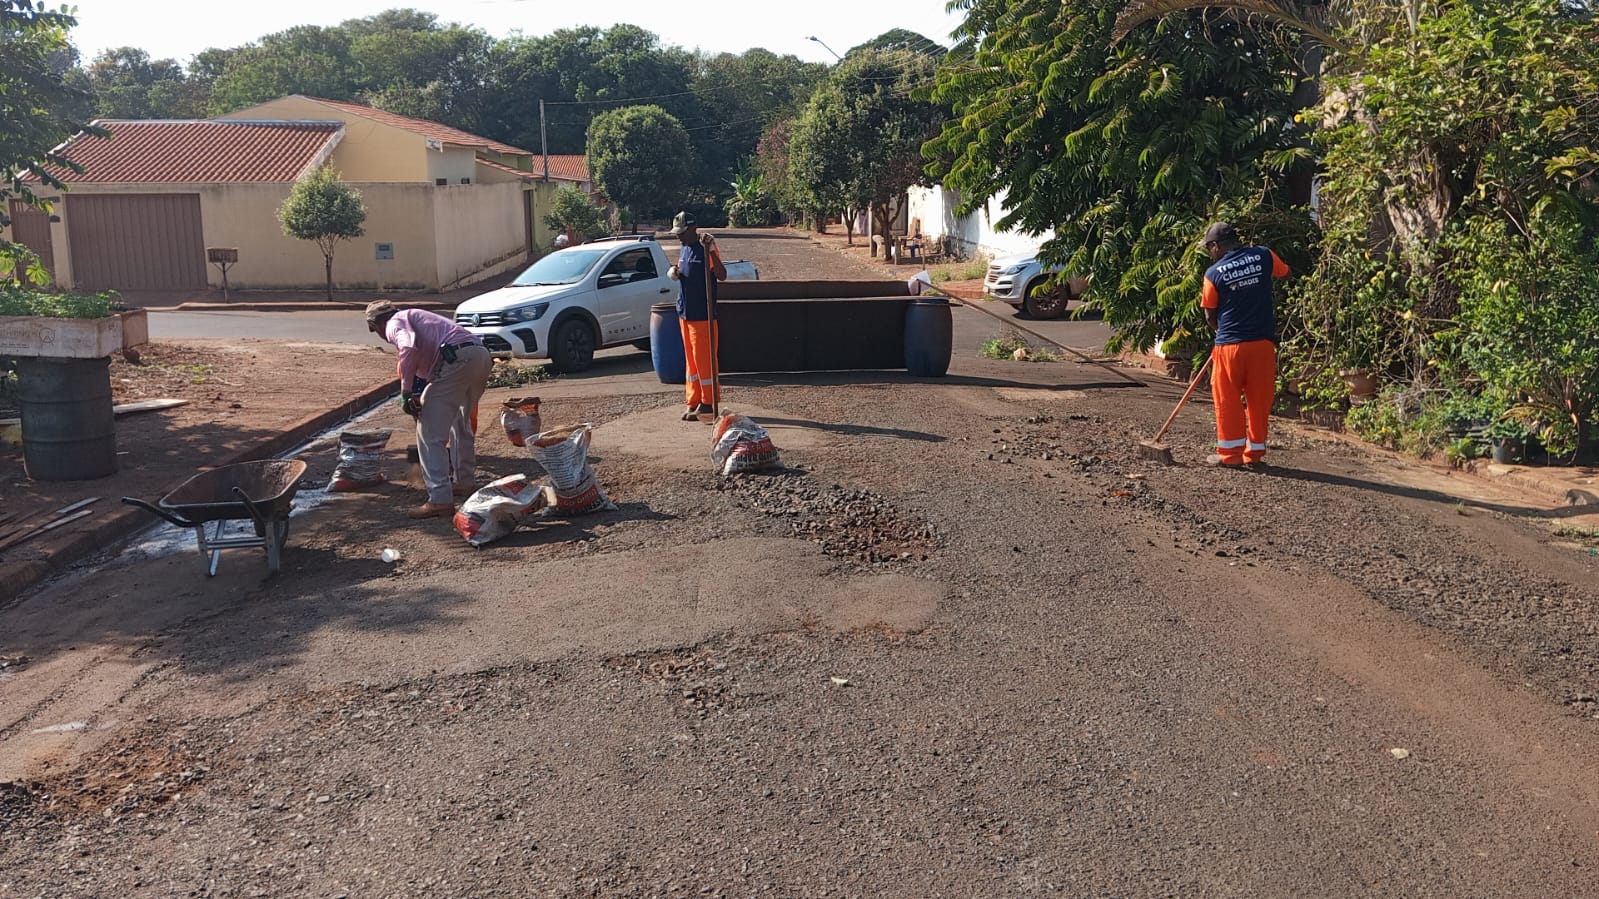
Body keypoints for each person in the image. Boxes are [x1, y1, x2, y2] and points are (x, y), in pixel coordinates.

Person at [364, 300, 493, 517]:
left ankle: (440, 499)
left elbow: (407, 348)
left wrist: (405, 392)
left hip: (456, 360)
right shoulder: (415, 316)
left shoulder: (395, 323)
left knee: (429, 433)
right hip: (479, 356)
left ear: (374, 325)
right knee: (459, 422)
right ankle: (464, 481)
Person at [1199, 221, 1290, 467]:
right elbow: (1284, 272)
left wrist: (1224, 334)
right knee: (1259, 400)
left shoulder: (1213, 273)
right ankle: (1255, 454)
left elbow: (1209, 315)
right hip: (1262, 344)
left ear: (1216, 246)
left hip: (1230, 346)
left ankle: (1230, 456)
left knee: (1227, 399)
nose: (1210, 253)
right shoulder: (1264, 255)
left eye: (1209, 248)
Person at [666, 211, 726, 421]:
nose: (678, 236)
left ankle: (708, 403)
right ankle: (694, 401)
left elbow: (722, 275)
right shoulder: (685, 248)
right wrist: (676, 271)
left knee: (704, 361)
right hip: (686, 313)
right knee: (691, 363)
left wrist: (710, 251)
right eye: (677, 233)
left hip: (703, 316)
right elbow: (686, 271)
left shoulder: (704, 248)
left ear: (693, 228)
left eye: (682, 232)